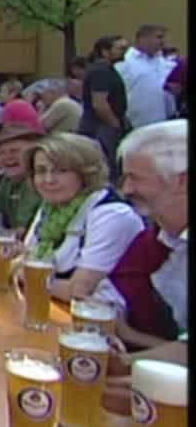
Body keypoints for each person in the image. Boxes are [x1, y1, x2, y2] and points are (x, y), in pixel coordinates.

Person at [20, 133, 144, 312]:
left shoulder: (111, 214)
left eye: (61, 170)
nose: (49, 180)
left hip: (105, 322)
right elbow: (25, 258)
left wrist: (25, 275)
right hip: (54, 309)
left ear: (86, 173)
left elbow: (78, 290)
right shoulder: (52, 207)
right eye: (41, 171)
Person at [95, 120, 187, 348]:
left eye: (135, 178)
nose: (126, 189)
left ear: (181, 182)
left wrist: (128, 347)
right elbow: (111, 293)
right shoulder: (159, 236)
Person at [79, 34, 131, 179]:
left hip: (104, 127)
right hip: (101, 128)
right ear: (105, 51)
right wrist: (115, 125)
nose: (125, 52)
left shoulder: (106, 69)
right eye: (121, 48)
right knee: (107, 170)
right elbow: (100, 103)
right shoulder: (101, 71)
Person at [0, 123, 44, 231]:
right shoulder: (7, 180)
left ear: (33, 154)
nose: (8, 157)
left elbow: (21, 231)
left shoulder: (37, 181)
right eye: (2, 153)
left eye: (14, 151)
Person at [116, 24, 174, 129]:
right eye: (159, 37)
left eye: (164, 38)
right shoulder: (124, 61)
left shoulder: (162, 61)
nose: (163, 42)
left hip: (164, 122)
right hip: (136, 124)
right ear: (142, 38)